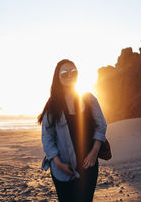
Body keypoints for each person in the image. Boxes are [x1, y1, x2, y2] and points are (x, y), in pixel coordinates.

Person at [38, 59, 107, 202]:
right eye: (64, 73)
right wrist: (57, 163)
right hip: (62, 167)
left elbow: (101, 125)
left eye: (73, 71)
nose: (69, 75)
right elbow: (47, 137)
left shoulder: (89, 99)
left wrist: (94, 152)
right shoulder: (53, 105)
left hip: (89, 166)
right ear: (58, 78)